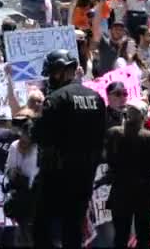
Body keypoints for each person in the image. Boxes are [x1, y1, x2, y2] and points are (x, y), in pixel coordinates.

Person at [31, 49, 106, 247]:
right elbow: (101, 137)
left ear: (61, 71)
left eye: (52, 73)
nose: (50, 79)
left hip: (56, 175)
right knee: (73, 229)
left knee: (41, 227)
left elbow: (38, 135)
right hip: (85, 174)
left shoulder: (55, 99)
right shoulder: (96, 98)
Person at [102, 100, 150, 248]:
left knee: (121, 236)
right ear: (143, 117)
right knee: (143, 236)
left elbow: (107, 158)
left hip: (120, 191)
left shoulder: (113, 133)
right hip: (144, 193)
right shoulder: (149, 137)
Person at [5, 117, 38, 246]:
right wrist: (13, 173)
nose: (26, 139)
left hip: (35, 196)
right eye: (25, 135)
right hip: (19, 193)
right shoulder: (14, 146)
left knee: (31, 234)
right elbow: (8, 168)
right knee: (21, 233)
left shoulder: (39, 149)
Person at [91, 1, 127, 76]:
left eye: (120, 30)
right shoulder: (105, 42)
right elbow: (96, 27)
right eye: (116, 29)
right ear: (111, 31)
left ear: (124, 32)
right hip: (102, 79)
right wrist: (100, 6)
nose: (118, 31)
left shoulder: (125, 46)